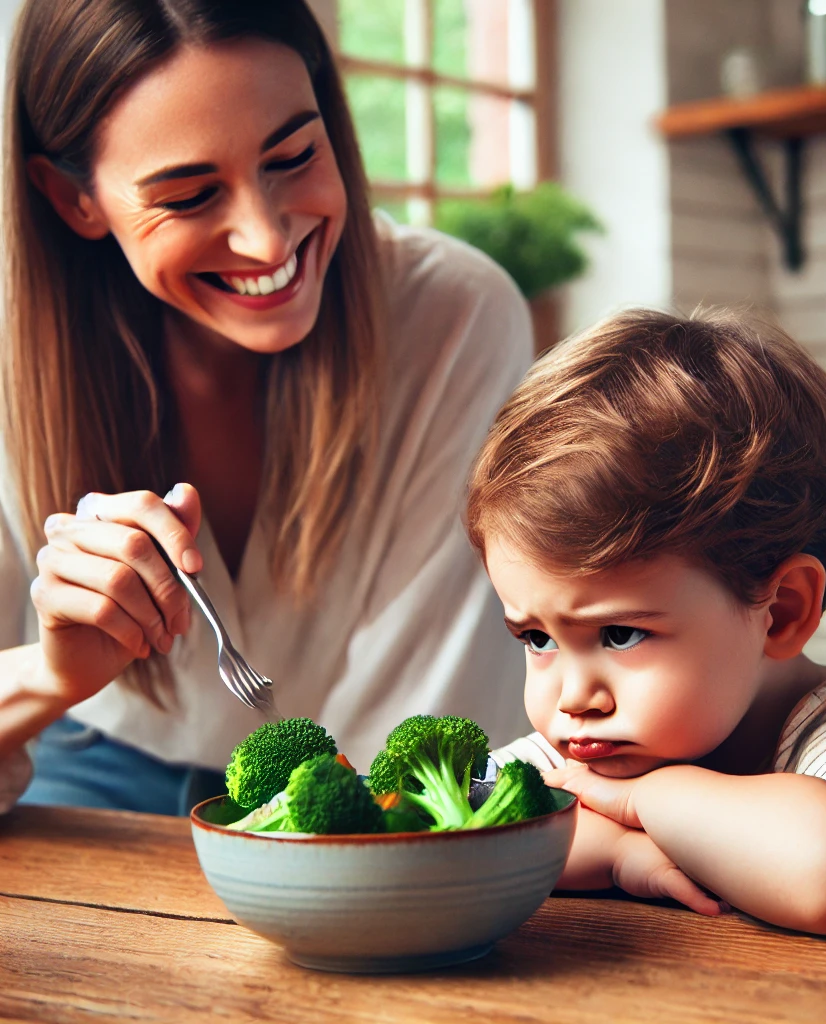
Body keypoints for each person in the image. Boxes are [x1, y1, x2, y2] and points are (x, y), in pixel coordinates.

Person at [0, 0, 532, 817]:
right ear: (73, 200)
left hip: (346, 789)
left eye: (291, 155)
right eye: (188, 196)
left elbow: (416, 735)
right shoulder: (12, 361)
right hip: (83, 767)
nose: (266, 240)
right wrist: (47, 676)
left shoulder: (457, 318)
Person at [471, 308, 826, 936]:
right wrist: (617, 854)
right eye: (538, 638)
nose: (572, 698)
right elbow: (447, 830)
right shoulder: (587, 749)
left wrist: (642, 803)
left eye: (620, 635)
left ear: (782, 613)